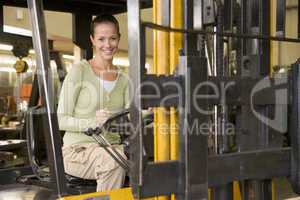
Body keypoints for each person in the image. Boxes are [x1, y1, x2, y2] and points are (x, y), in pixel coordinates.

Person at [57, 14, 129, 192]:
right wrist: (91, 123)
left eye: (112, 38)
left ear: (119, 39)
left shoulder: (125, 79)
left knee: (152, 158)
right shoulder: (79, 71)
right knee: (113, 161)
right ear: (92, 40)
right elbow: (60, 119)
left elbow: (130, 119)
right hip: (77, 151)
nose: (108, 44)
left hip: (113, 147)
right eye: (101, 39)